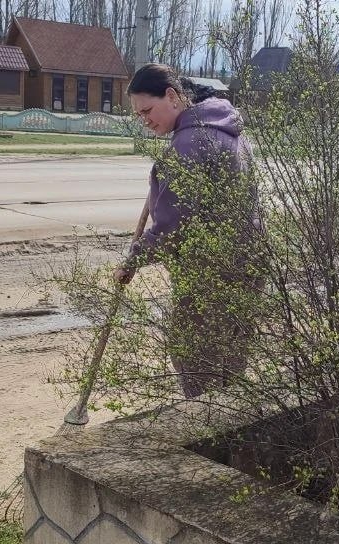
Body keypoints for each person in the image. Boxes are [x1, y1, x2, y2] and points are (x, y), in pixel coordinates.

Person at [113, 64, 264, 399]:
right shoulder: (230, 130)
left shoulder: (188, 143)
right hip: (249, 261)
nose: (144, 121)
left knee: (194, 353)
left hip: (210, 270)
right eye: (138, 116)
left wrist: (133, 260)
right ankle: (230, 419)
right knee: (231, 353)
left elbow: (171, 227)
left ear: (172, 96)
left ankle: (204, 420)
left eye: (147, 111)